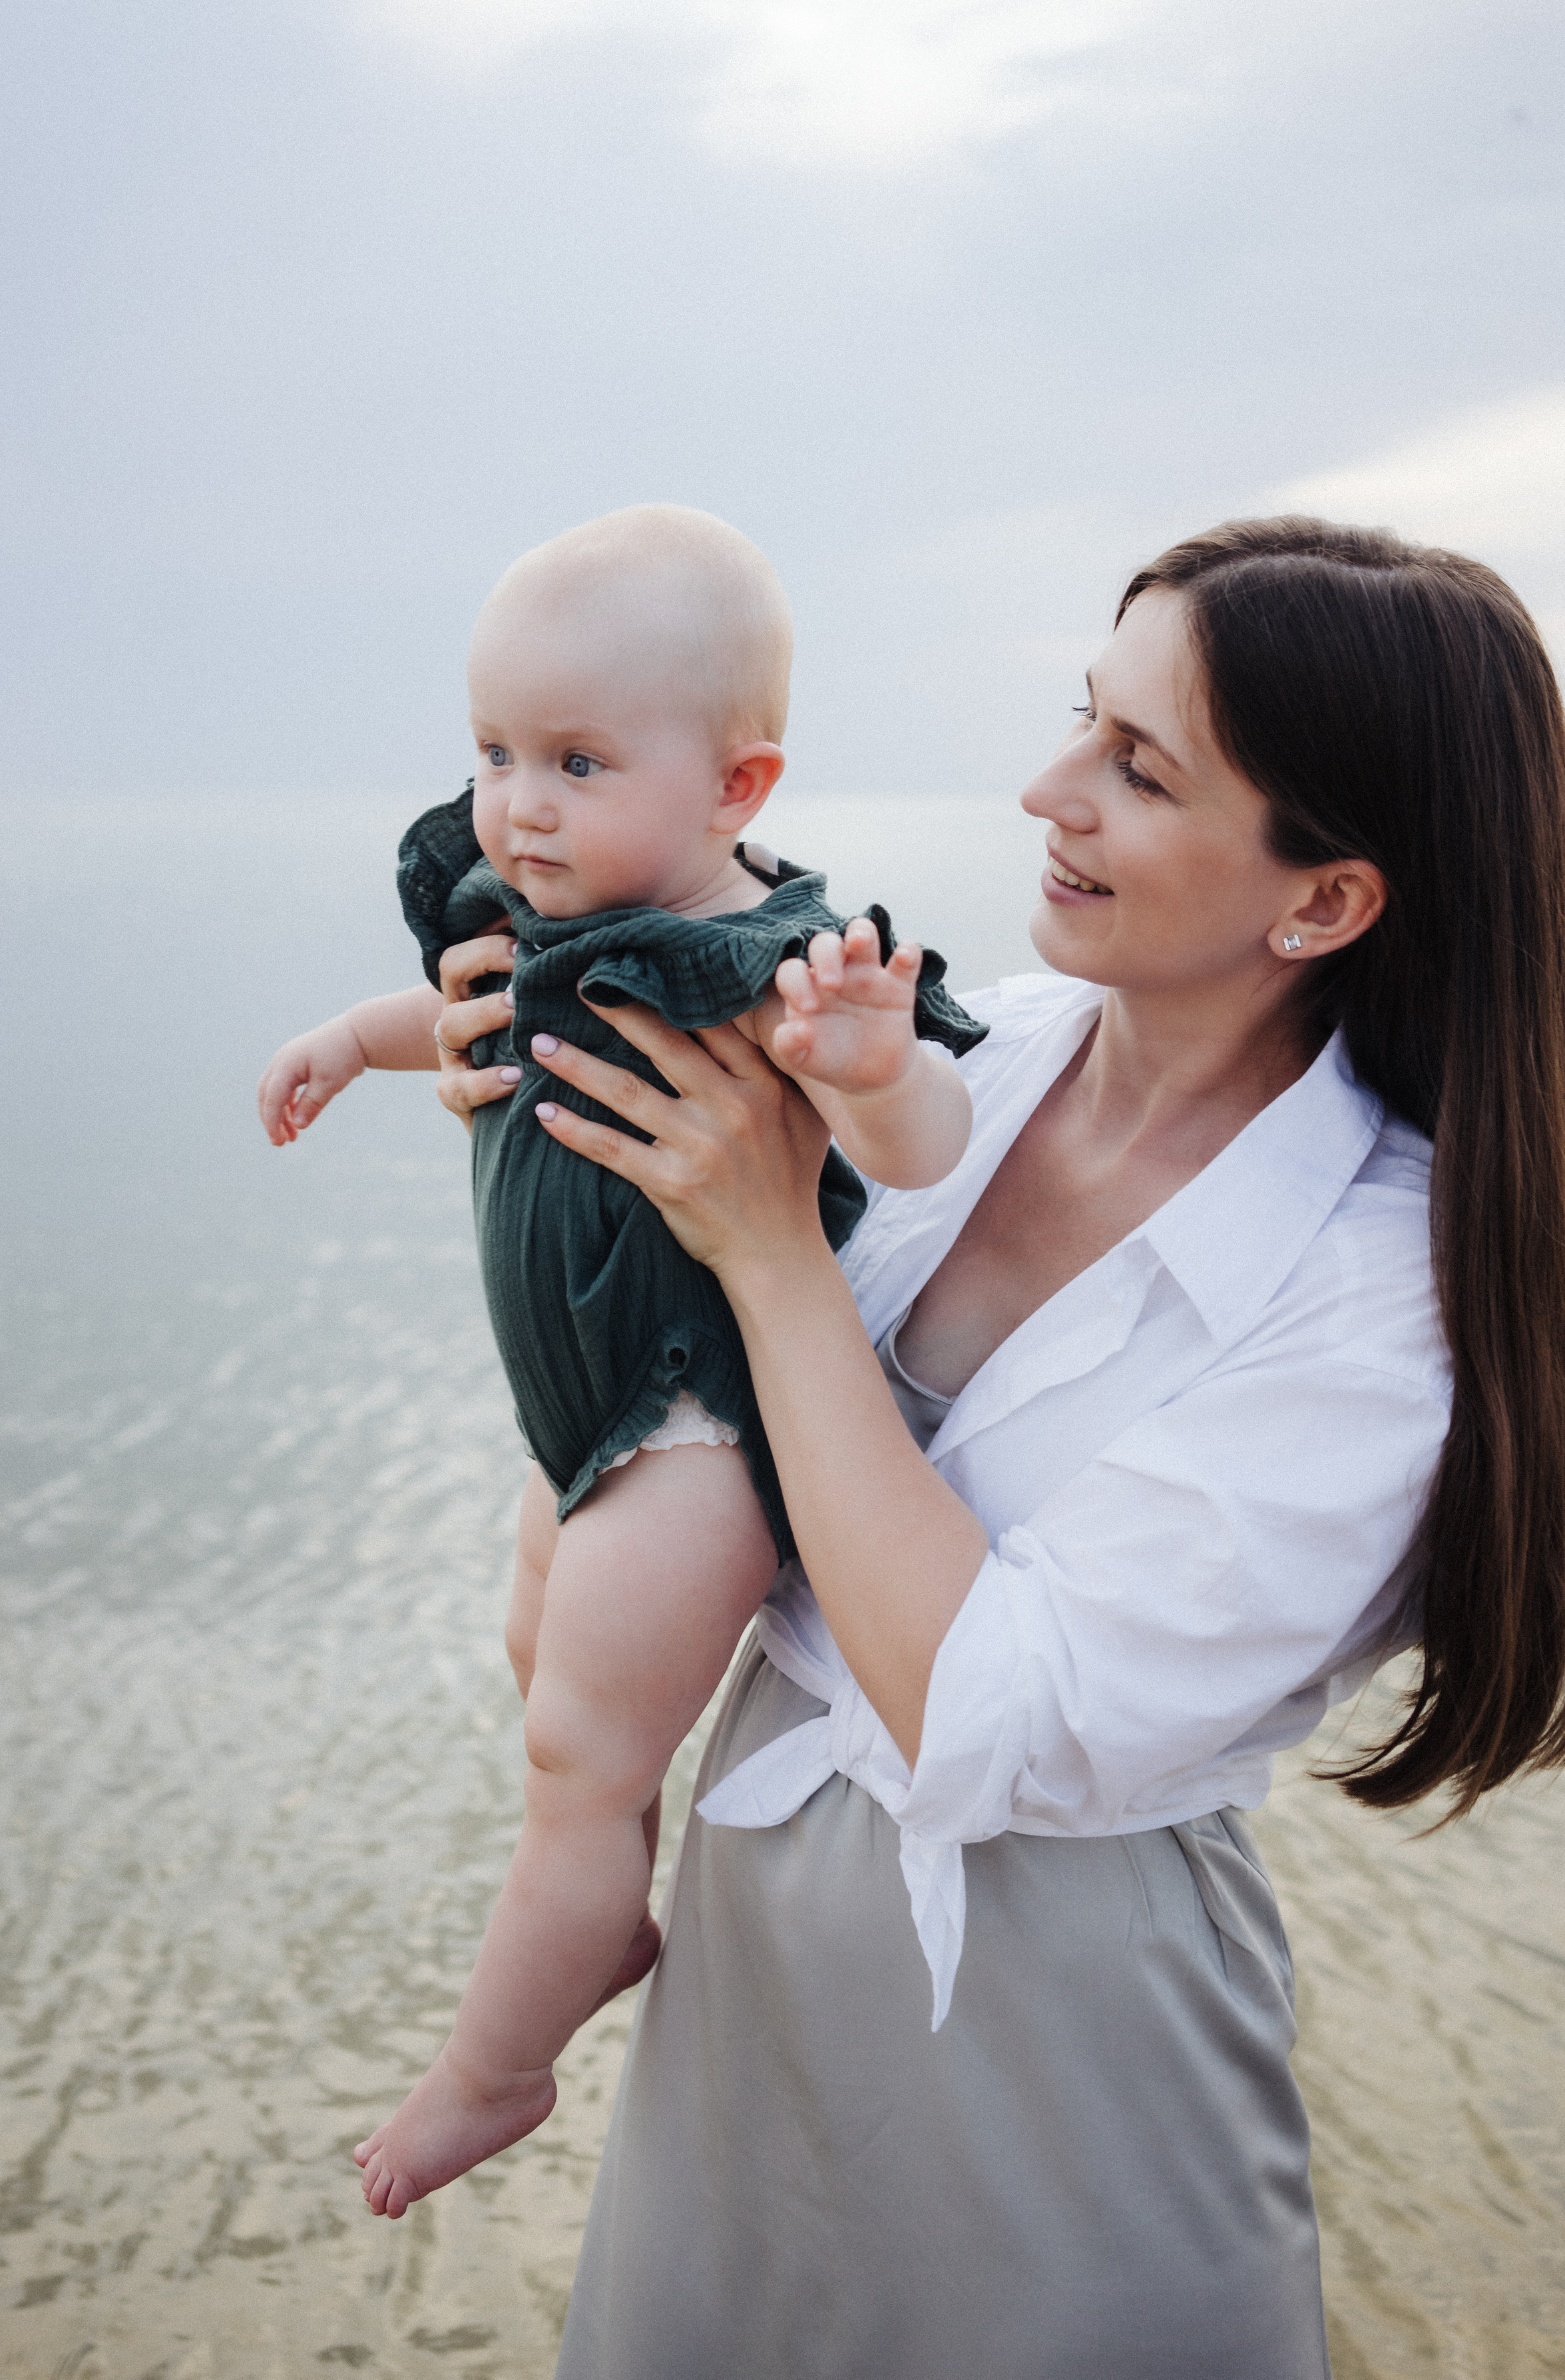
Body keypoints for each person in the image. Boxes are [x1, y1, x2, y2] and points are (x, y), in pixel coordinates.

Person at [431, 517, 1565, 2379]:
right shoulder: (962, 1056)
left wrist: (767, 1247)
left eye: (1140, 770)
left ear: (1323, 902)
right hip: (746, 1979)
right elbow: (677, 1404)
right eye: (1079, 719)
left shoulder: (1384, 1300)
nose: (1050, 791)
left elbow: (993, 1717)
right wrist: (548, 1127)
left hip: (1054, 2051)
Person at [256, 504, 986, 2213]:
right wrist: (348, 1044)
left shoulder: (769, 965)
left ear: (736, 787)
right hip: (579, 1425)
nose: (520, 804)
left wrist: (872, 1065)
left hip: (692, 1432)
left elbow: (924, 1141)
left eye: (577, 762)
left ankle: (494, 2071)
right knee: (539, 1668)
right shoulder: (540, 901)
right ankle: (598, 1925)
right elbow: (467, 1006)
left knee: (580, 1766)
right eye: (496, 753)